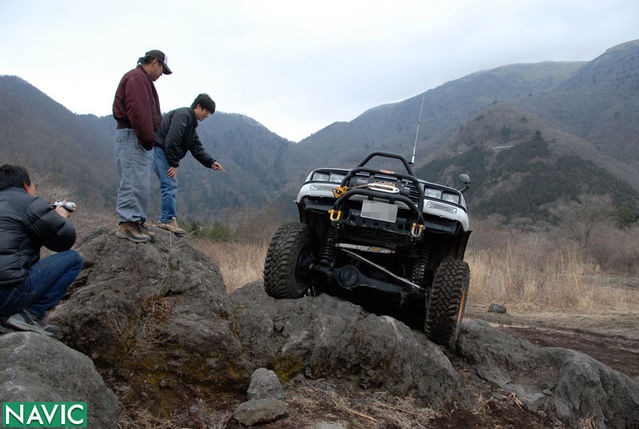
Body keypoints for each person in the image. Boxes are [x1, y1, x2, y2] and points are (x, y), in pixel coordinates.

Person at [0, 165, 83, 336]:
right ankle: (30, 315)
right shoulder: (30, 203)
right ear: (25, 185)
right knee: (73, 259)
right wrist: (60, 217)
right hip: (8, 294)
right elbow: (64, 240)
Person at [112, 49, 172, 243]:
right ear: (155, 62)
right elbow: (139, 112)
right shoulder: (137, 79)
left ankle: (136, 220)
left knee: (140, 181)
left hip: (139, 137)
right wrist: (147, 139)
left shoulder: (143, 81)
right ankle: (128, 222)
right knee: (132, 179)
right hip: (133, 136)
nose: (161, 75)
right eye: (162, 69)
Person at [153, 93, 226, 236]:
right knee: (169, 183)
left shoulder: (191, 124)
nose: (207, 115)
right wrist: (174, 163)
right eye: (206, 111)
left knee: (170, 184)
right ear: (198, 106)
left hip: (165, 152)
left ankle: (168, 219)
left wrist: (211, 162)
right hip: (160, 150)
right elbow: (172, 140)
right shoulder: (183, 116)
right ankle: (166, 220)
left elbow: (196, 147)